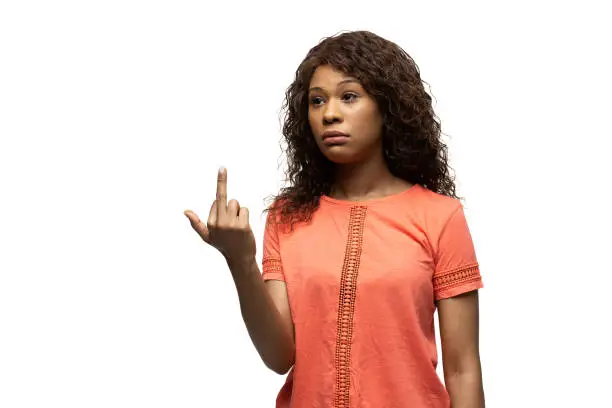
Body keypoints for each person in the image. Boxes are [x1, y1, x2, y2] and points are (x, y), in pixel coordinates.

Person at [185, 30, 485, 408]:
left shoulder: (440, 217)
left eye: (349, 96)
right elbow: (279, 357)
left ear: (387, 107)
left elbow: (463, 370)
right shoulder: (287, 217)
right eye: (317, 100)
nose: (329, 113)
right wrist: (241, 261)